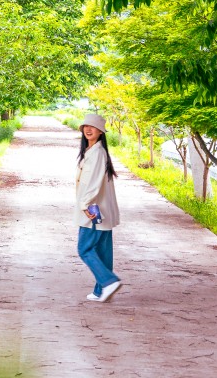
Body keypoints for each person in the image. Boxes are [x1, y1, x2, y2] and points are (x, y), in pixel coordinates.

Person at [76, 113, 122, 302]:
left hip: (93, 211)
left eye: (93, 127)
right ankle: (101, 291)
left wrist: (84, 204)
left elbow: (93, 183)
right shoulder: (94, 151)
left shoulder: (96, 153)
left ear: (101, 132)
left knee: (84, 248)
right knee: (102, 252)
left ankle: (108, 281)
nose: (88, 129)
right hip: (101, 211)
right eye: (85, 126)